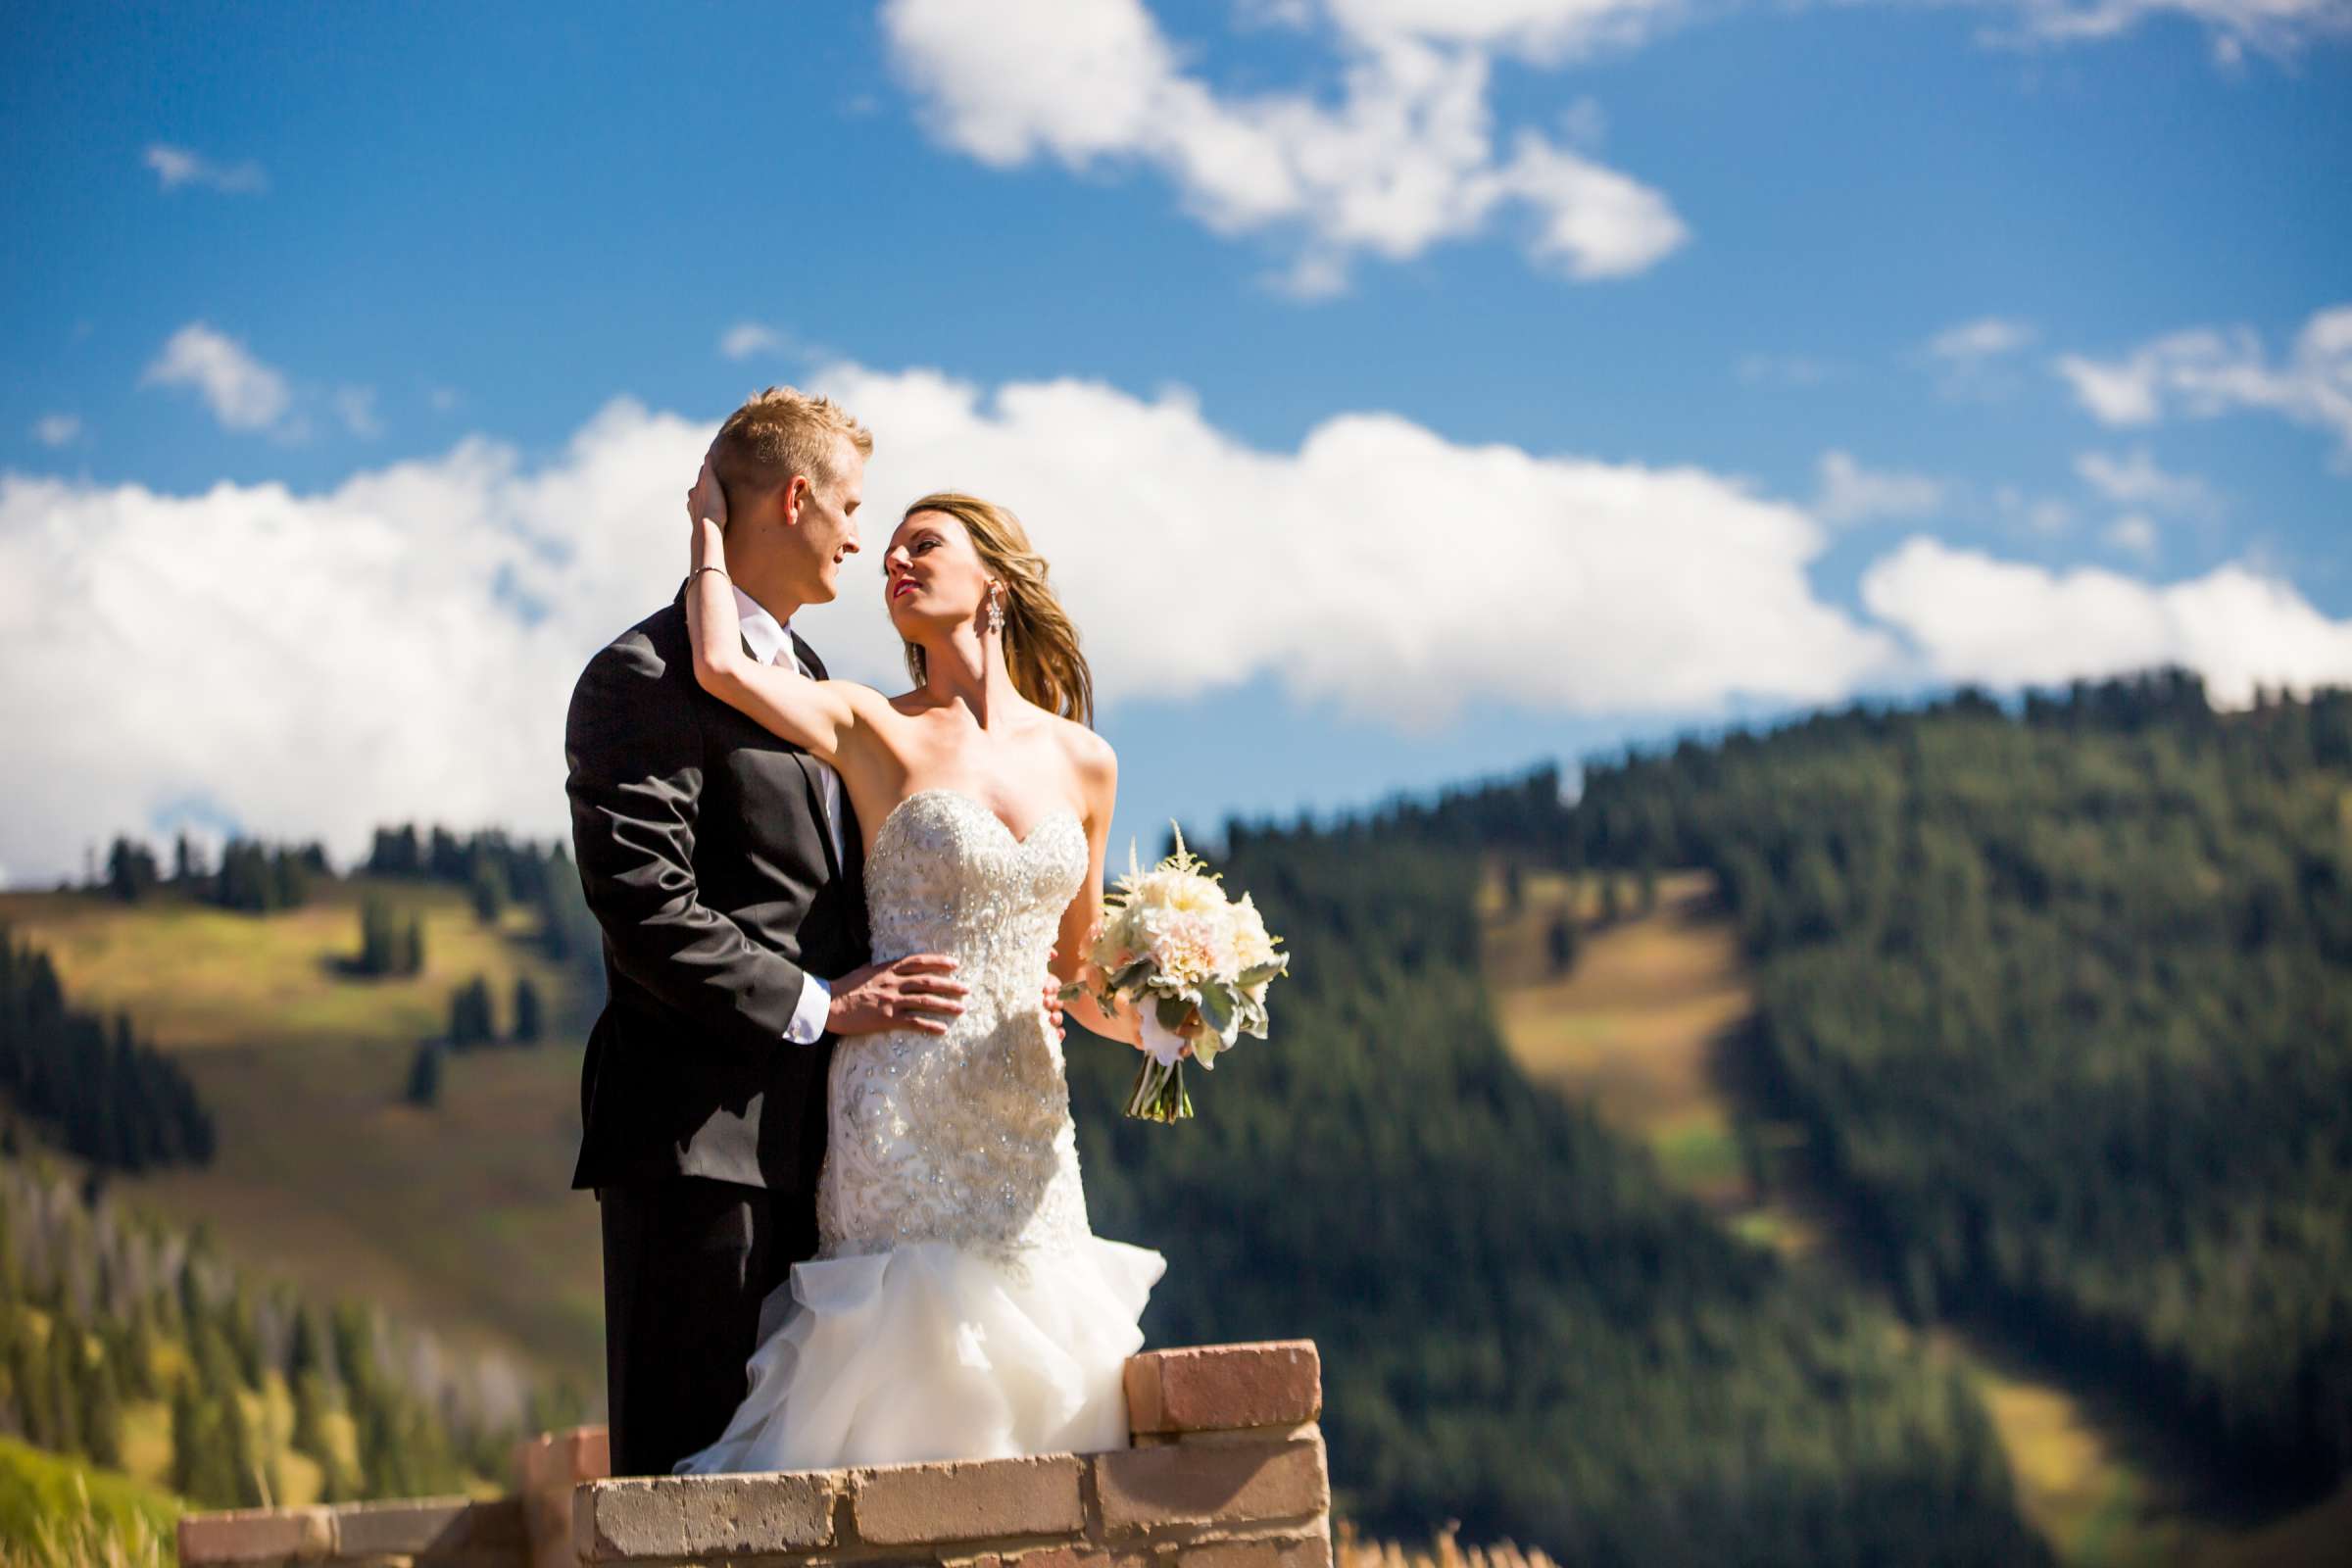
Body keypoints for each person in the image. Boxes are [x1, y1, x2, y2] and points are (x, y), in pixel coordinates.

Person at [563, 386, 1068, 1477]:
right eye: (849, 506)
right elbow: (645, 902)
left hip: (845, 1164)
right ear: (795, 498)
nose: (859, 536)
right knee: (691, 1494)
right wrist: (822, 1004)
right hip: (703, 1153)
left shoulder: (831, 690)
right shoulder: (642, 674)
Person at [666, 469, 1168, 1473]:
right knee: (901, 1393)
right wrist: (711, 530)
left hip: (1026, 1125)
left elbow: (1077, 976)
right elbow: (720, 663)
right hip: (899, 1102)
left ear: (995, 583)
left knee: (1043, 1405)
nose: (893, 560)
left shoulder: (1086, 761)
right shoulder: (871, 723)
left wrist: (1169, 1023)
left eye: (922, 544)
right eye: (887, 548)